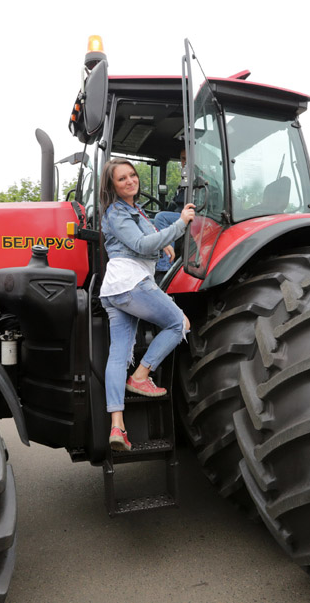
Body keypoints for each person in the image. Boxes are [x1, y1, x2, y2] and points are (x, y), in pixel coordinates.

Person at [99, 157, 196, 451]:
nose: (130, 181)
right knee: (180, 323)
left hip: (115, 289)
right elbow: (141, 246)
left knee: (118, 355)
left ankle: (118, 427)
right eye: (121, 179)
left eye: (132, 175)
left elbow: (147, 236)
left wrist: (159, 237)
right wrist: (181, 224)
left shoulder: (132, 211)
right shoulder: (117, 212)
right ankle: (141, 376)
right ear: (112, 186)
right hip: (131, 283)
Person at [154, 149, 187, 272]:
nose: (185, 162)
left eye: (188, 158)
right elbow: (176, 204)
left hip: (194, 216)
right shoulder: (184, 180)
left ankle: (164, 267)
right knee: (148, 220)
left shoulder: (199, 179)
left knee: (161, 218)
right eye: (183, 158)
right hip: (180, 213)